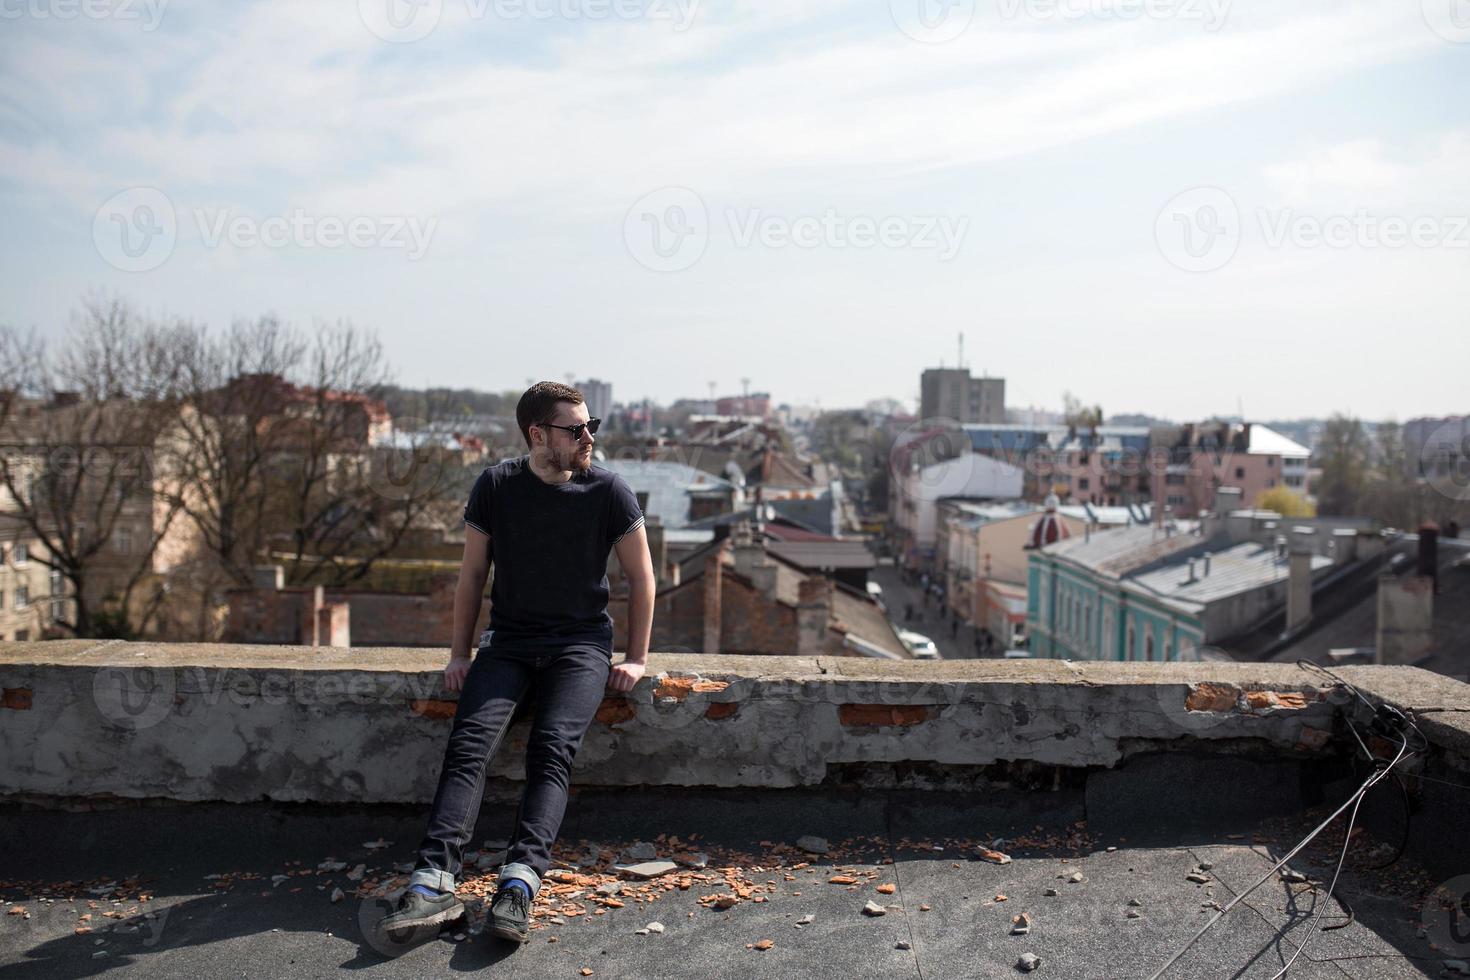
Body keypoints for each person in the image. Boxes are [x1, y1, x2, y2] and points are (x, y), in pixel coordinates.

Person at [380, 382, 655, 947]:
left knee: (550, 749)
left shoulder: (610, 491)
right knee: (468, 745)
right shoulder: (497, 485)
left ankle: (518, 885)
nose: (588, 437)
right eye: (574, 429)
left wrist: (636, 658)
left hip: (580, 646)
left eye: (590, 426)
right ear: (538, 434)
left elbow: (642, 578)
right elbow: (472, 576)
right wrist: (459, 654)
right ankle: (433, 885)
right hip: (507, 642)